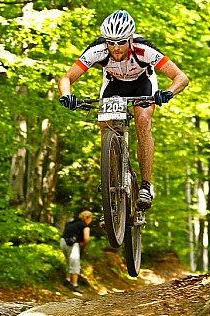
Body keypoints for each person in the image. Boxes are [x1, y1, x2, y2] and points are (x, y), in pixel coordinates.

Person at [58, 10, 189, 210]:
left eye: (121, 42)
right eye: (111, 43)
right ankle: (111, 177)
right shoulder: (97, 50)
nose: (116, 48)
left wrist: (168, 93)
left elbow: (181, 78)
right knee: (105, 125)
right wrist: (67, 95)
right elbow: (67, 78)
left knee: (143, 121)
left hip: (142, 84)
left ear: (130, 39)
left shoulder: (144, 50)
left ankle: (145, 186)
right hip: (114, 85)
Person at [60, 210, 93, 293]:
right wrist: (83, 243)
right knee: (75, 263)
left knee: (68, 261)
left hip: (63, 242)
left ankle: (67, 280)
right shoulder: (85, 225)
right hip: (72, 244)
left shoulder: (72, 223)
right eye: (91, 218)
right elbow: (86, 238)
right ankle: (74, 285)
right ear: (87, 218)